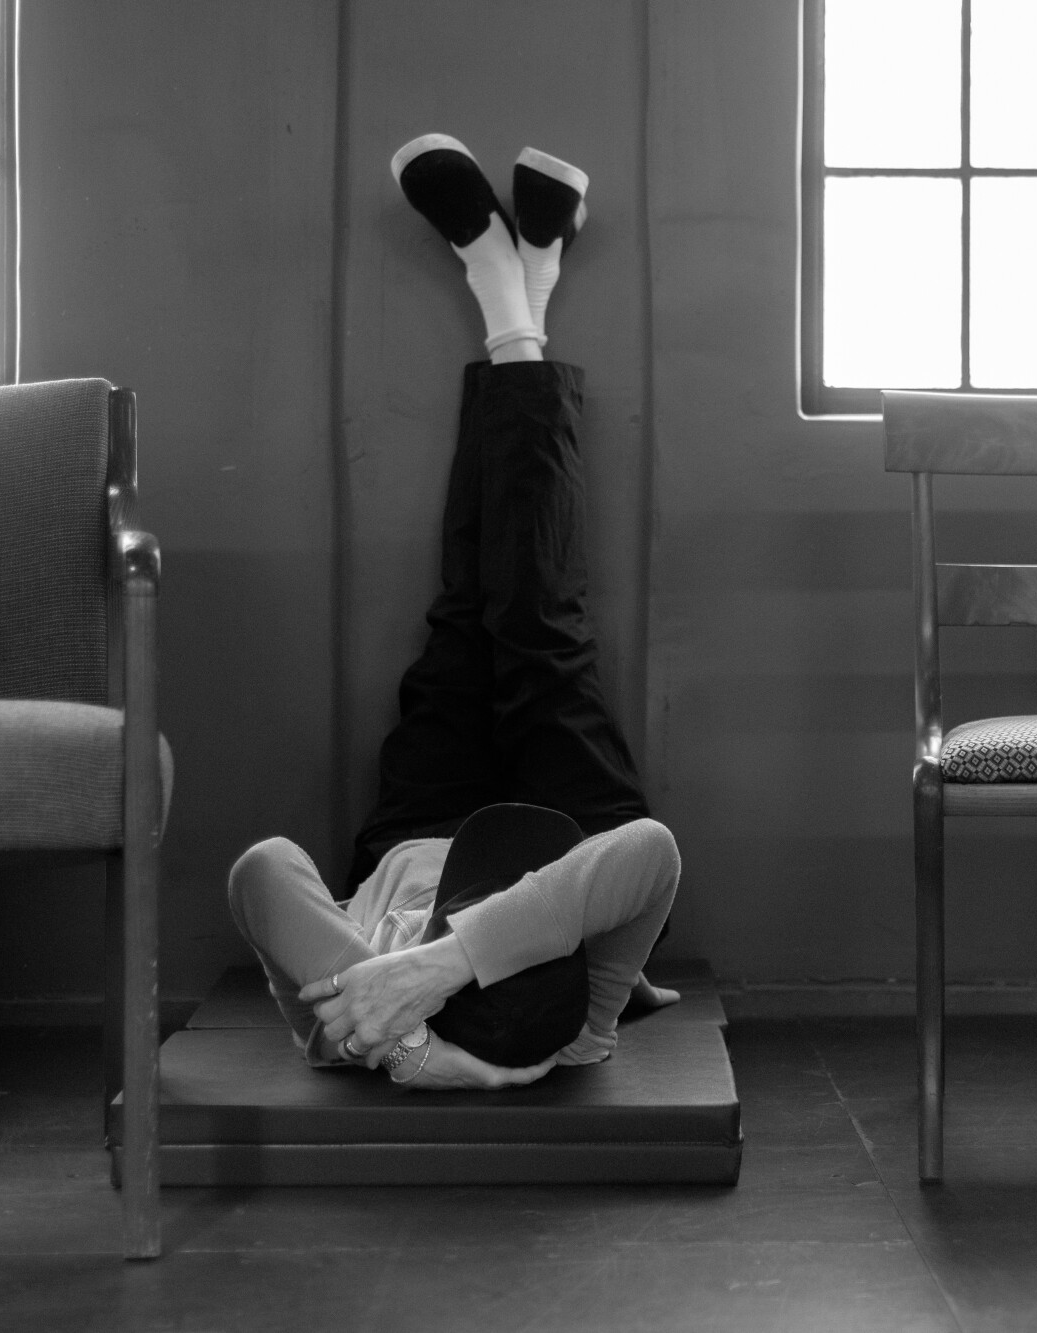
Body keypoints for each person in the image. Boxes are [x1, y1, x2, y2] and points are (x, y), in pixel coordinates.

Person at [227, 135, 677, 1092]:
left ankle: (521, 295)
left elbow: (263, 867)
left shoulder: (352, 1020)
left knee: (471, 614)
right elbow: (647, 854)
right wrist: (449, 962)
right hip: (574, 835)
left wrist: (400, 1024)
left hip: (416, 826)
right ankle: (510, 298)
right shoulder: (582, 1019)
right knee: (538, 625)